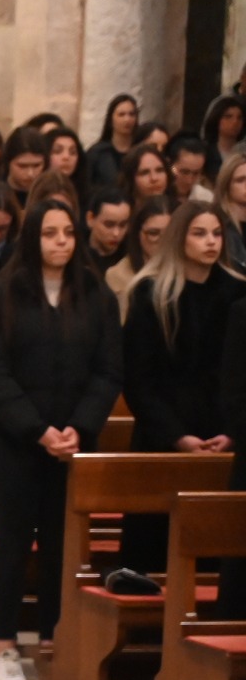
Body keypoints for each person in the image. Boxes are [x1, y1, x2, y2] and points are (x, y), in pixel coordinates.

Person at [0, 198, 123, 680]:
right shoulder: (1, 295)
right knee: (15, 543)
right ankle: (5, 646)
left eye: (68, 233)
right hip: (17, 443)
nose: (61, 242)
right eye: (50, 233)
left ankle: (56, 641)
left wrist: (79, 427)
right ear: (32, 239)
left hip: (74, 445)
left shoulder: (96, 295)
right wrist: (38, 430)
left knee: (62, 545)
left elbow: (108, 371)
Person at [116, 202, 244, 575]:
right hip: (162, 436)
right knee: (153, 547)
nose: (211, 242)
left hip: (223, 433)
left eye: (217, 233)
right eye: (199, 233)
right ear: (179, 238)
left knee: (216, 545)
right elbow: (138, 380)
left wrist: (232, 432)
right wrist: (177, 436)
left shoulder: (237, 293)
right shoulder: (151, 293)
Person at [84, 186, 133, 270]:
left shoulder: (133, 258)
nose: (116, 233)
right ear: (90, 219)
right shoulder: (75, 256)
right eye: (109, 225)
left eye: (122, 225)